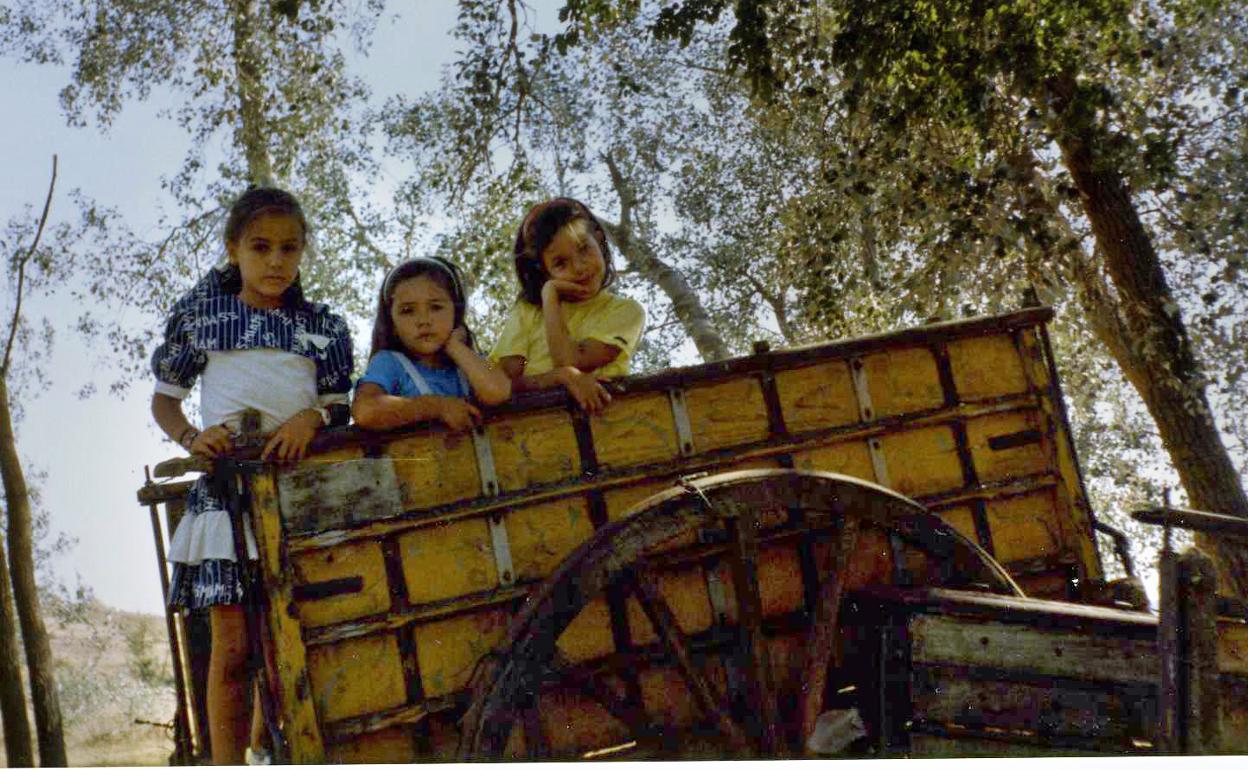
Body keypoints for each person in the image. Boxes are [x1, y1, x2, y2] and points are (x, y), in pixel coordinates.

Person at [150, 187, 353, 765]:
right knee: (234, 647)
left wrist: (310, 418)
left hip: (298, 491)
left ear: (303, 254)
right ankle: (224, 761)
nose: (275, 261)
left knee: (286, 638)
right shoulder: (202, 319)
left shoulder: (322, 328)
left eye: (289, 248)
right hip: (229, 495)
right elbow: (165, 403)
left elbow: (339, 405)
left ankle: (272, 751)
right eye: (260, 247)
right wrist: (193, 438)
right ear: (233, 249)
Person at [491, 198, 645, 414]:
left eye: (584, 249)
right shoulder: (528, 311)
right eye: (561, 263)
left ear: (599, 240)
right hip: (533, 428)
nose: (579, 267)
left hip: (607, 426)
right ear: (545, 271)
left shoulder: (625, 312)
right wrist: (559, 378)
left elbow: (570, 361)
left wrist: (550, 296)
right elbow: (503, 382)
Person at [352, 257, 511, 430]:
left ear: (456, 313)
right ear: (392, 323)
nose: (423, 320)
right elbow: (365, 410)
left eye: (435, 307)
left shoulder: (470, 362)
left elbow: (498, 391)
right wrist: (437, 407)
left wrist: (455, 347)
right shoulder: (389, 362)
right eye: (408, 311)